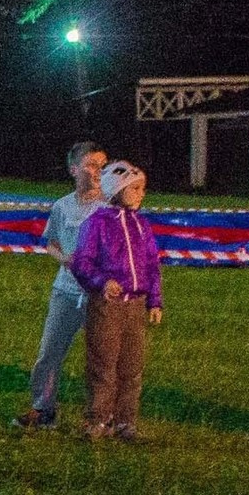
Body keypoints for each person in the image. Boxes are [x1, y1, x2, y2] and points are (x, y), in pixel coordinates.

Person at [69, 160, 163, 441]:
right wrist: (101, 282)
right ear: (117, 190)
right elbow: (82, 262)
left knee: (132, 366)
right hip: (107, 306)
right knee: (103, 364)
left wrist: (154, 300)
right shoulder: (97, 223)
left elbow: (151, 264)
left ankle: (125, 421)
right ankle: (98, 419)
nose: (141, 194)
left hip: (135, 304)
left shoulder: (141, 225)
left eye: (142, 189)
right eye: (135, 189)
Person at [17, 139, 106, 431]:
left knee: (101, 358)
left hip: (100, 294)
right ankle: (43, 409)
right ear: (74, 169)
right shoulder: (62, 206)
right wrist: (64, 259)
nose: (98, 171)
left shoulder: (110, 207)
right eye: (91, 165)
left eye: (102, 165)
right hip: (66, 291)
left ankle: (100, 416)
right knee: (49, 353)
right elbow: (51, 243)